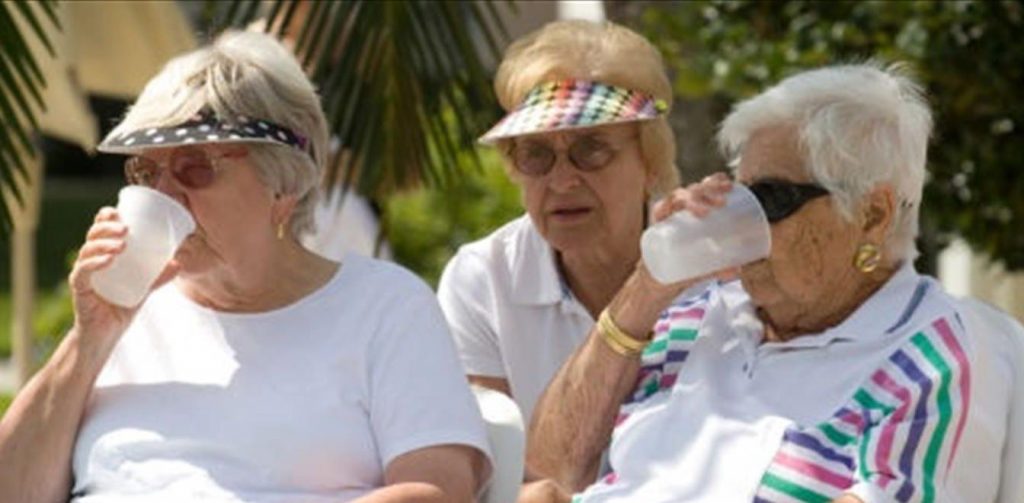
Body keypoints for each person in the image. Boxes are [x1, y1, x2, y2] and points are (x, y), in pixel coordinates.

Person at [0, 31, 489, 502]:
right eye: (146, 171)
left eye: (195, 167)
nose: (164, 194)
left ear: (282, 188)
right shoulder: (124, 317)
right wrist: (88, 341)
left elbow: (438, 491)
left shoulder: (384, 306)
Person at [525, 62, 1010, 502]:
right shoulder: (701, 314)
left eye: (772, 197)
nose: (746, 217)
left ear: (872, 215)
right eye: (742, 191)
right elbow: (551, 468)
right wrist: (644, 291)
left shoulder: (926, 357)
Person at [436, 20, 680, 425]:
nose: (563, 180)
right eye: (535, 153)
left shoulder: (711, 262)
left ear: (650, 162)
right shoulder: (483, 278)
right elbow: (492, 462)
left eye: (593, 149)